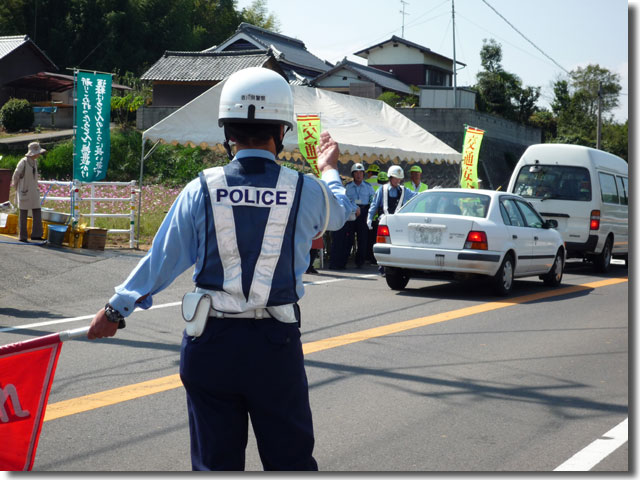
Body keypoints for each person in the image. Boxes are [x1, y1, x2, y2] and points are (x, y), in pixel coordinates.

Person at [86, 67, 352, 471]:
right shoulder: (306, 189)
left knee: (215, 464)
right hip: (275, 345)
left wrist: (115, 310)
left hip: (210, 344)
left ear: (227, 131)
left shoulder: (201, 188)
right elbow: (341, 214)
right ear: (282, 131)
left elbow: (162, 258)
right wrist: (329, 167)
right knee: (290, 462)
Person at [368, 166, 417, 274]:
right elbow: (375, 204)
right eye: (396, 178)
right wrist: (369, 218)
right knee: (384, 245)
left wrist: (430, 192)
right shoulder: (382, 189)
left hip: (398, 223)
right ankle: (383, 268)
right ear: (390, 177)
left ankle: (396, 267)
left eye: (399, 178)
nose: (398, 180)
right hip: (384, 222)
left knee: (397, 245)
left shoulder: (404, 190)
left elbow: (416, 196)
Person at [11, 142, 46, 242]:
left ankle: (37, 234)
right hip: (24, 189)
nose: (39, 154)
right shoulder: (23, 162)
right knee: (23, 212)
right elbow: (16, 174)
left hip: (33, 190)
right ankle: (23, 236)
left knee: (37, 210)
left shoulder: (35, 162)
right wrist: (15, 186)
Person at [344, 163, 375, 268]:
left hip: (364, 213)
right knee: (348, 238)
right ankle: (345, 260)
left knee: (363, 238)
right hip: (351, 213)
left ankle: (360, 262)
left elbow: (372, 201)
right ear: (353, 174)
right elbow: (345, 200)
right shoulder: (347, 187)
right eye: (356, 173)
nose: (359, 175)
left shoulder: (368, 187)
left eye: (361, 172)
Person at [366, 171, 389, 264]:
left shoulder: (375, 189)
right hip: (385, 218)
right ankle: (381, 259)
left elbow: (372, 204)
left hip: (376, 218)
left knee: (373, 240)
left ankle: (372, 258)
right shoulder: (390, 190)